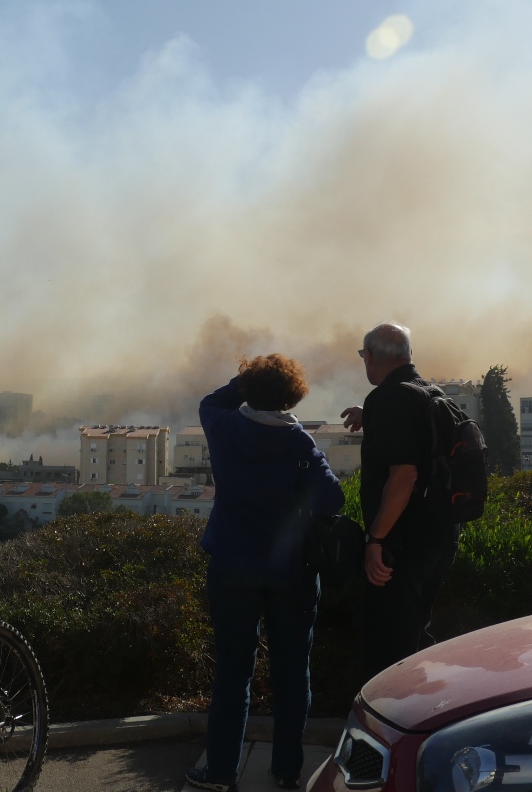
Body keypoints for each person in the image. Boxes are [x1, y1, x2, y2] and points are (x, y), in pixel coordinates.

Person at [187, 355, 343, 792]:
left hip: (232, 567)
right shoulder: (300, 444)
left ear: (247, 389)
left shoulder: (222, 427)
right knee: (293, 673)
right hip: (292, 573)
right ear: (294, 395)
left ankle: (219, 772)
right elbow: (332, 500)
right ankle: (287, 770)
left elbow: (210, 400)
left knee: (234, 673)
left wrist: (246, 383)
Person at [340, 322, 461, 678]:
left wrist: (375, 540)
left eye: (365, 356)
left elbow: (404, 476)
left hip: (403, 544)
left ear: (373, 356)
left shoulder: (390, 398)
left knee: (389, 654)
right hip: (440, 536)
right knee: (416, 640)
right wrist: (372, 419)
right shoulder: (429, 392)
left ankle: (392, 728)